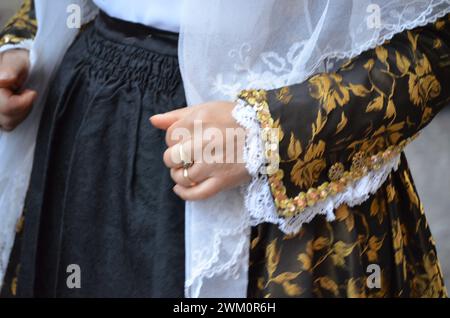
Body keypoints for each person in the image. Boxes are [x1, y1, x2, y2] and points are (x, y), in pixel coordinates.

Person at [0, 0, 449, 297]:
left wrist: (267, 135)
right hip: (95, 138)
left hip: (279, 203)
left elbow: (434, 43)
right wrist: (24, 46)